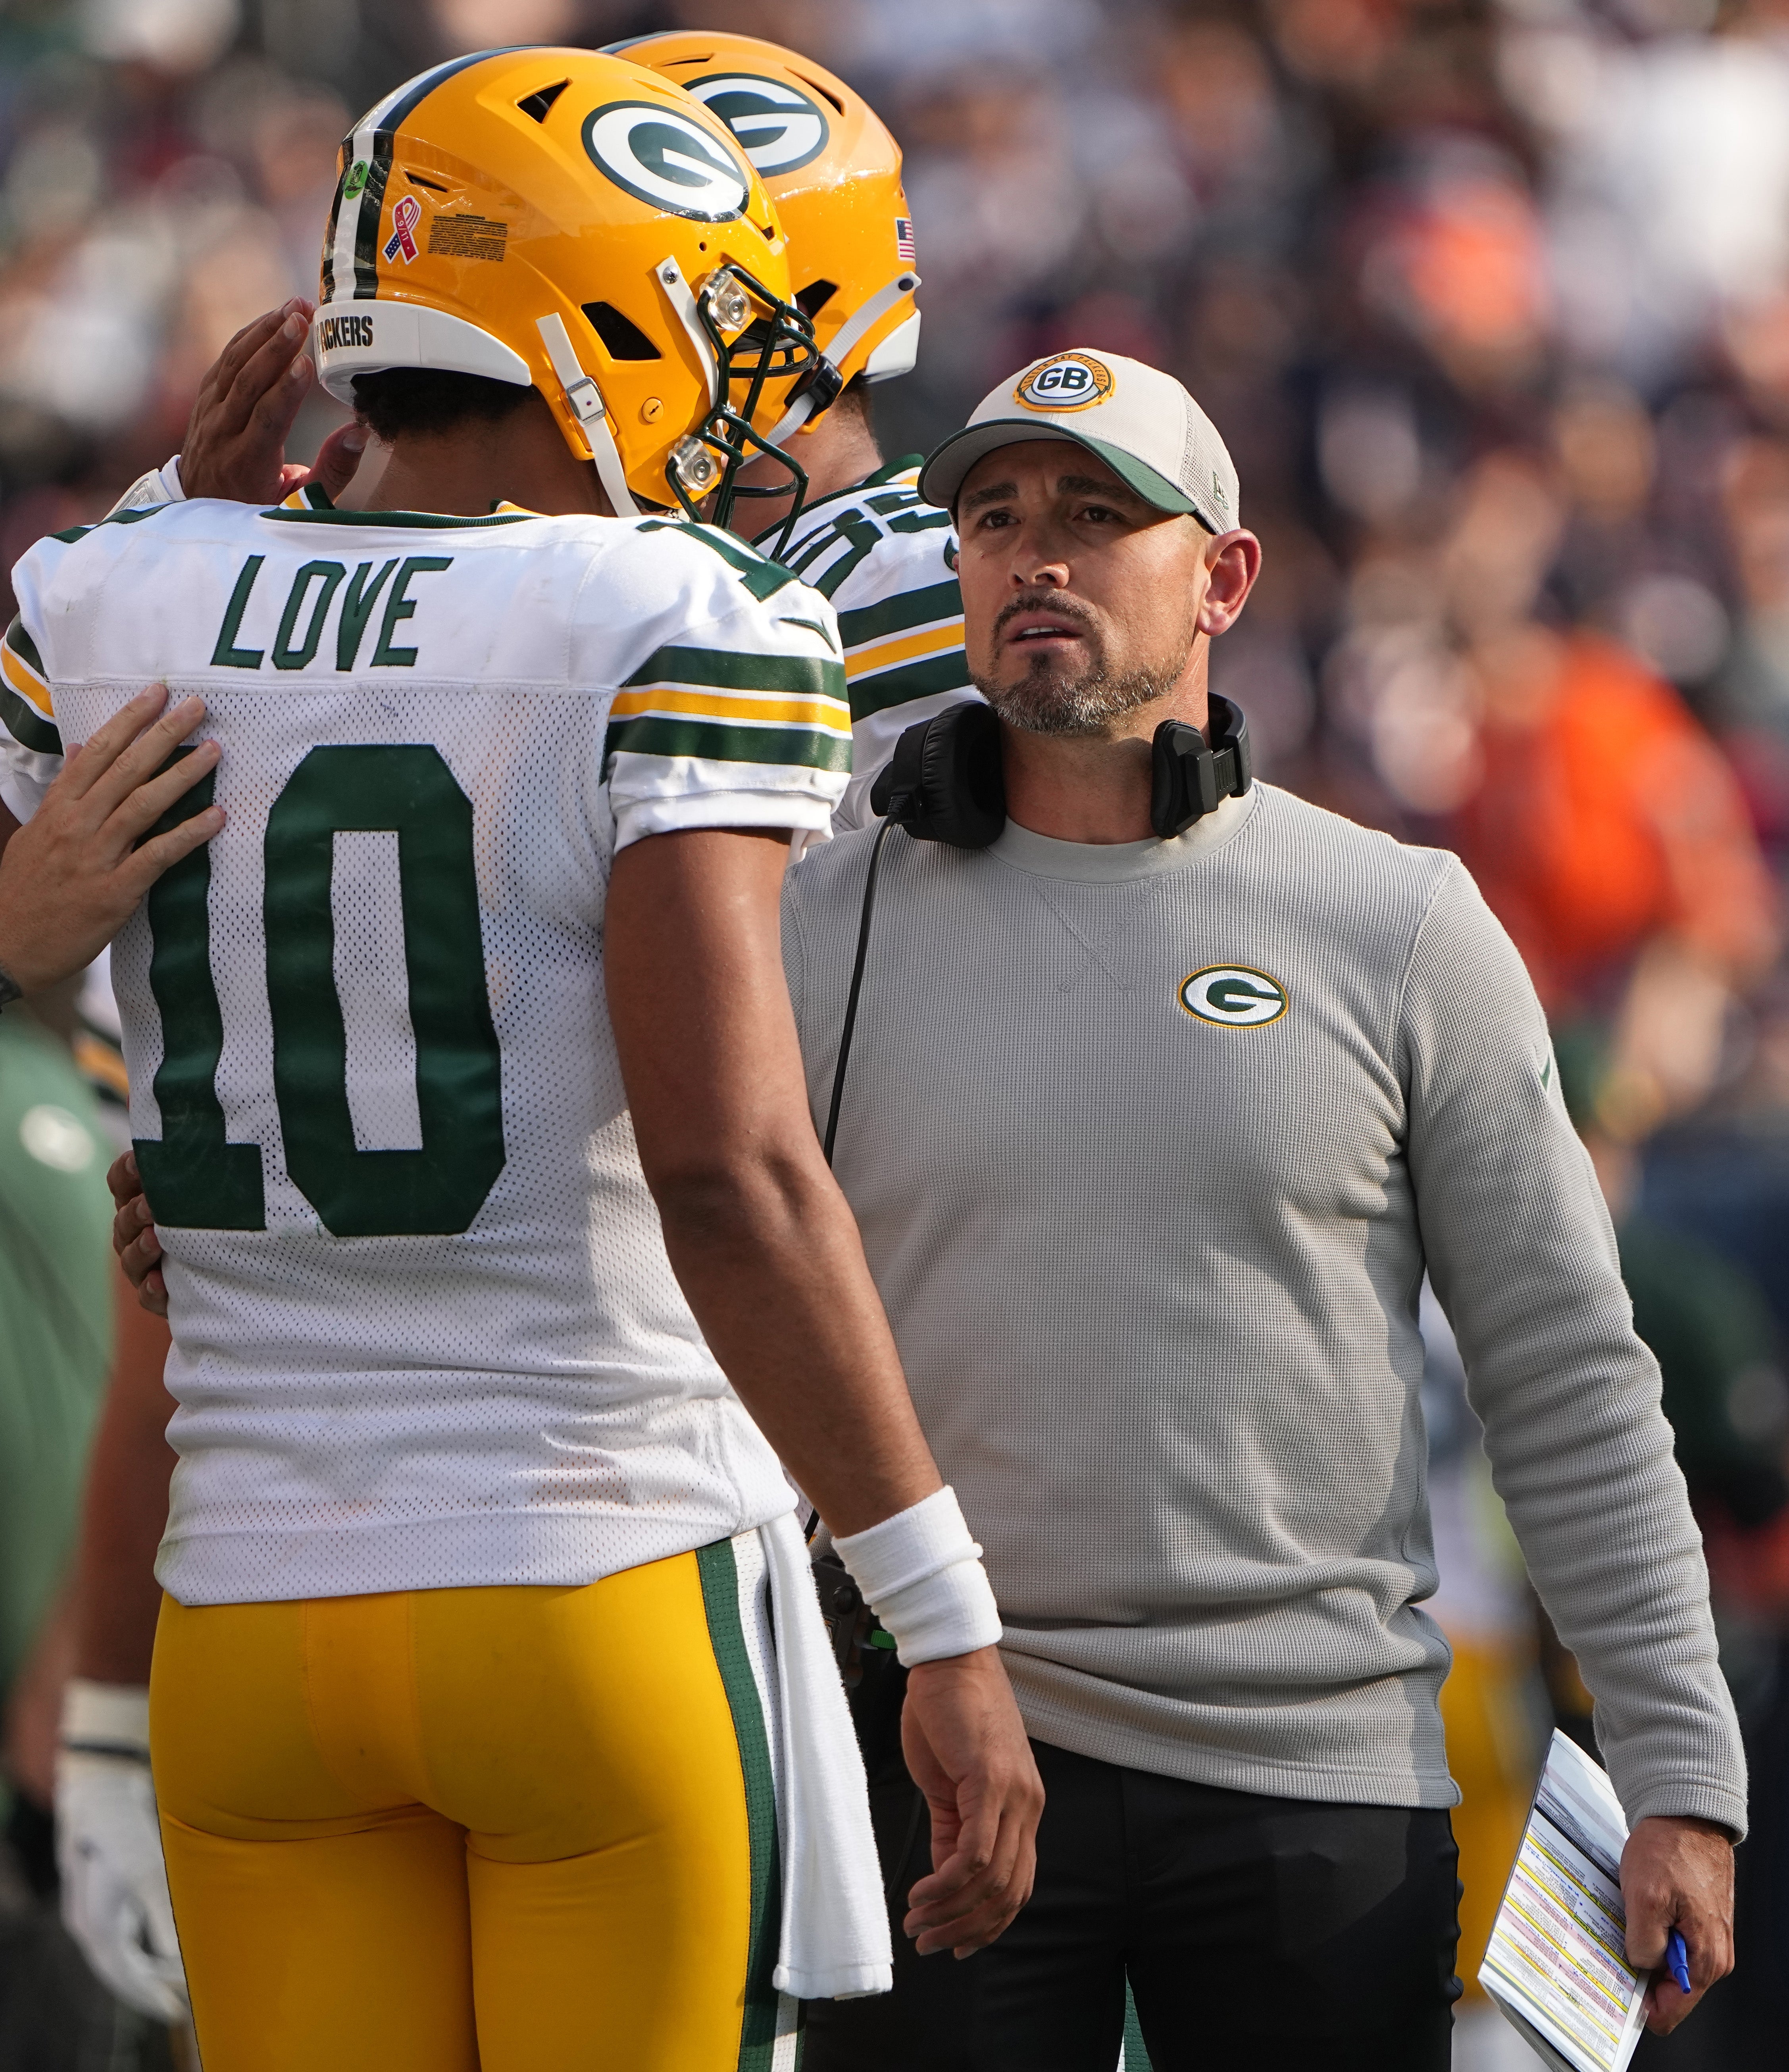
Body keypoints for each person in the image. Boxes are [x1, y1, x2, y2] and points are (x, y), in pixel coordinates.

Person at [2, 48, 1040, 2072]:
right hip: (599, 1568)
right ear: (612, 315)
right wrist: (938, 1608)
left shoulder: (112, 589)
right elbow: (728, 1169)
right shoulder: (688, 605)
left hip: (249, 1614)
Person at [781, 349, 1745, 2071]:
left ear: (1222, 576)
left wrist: (1679, 1772)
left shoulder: (1395, 921)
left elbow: (1565, 1372)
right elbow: (667, 1227)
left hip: (1319, 1789)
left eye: (1094, 516)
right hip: (940, 1762)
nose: (1035, 559)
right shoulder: (816, 919)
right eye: (992, 522)